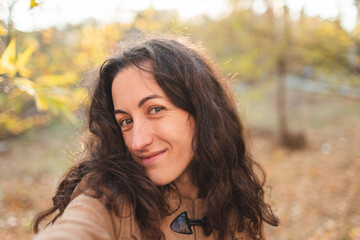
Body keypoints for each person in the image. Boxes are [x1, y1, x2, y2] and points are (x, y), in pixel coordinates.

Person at [33, 35, 279, 240]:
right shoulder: (108, 196)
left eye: (155, 109)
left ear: (200, 110)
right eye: (126, 122)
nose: (138, 142)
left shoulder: (235, 198)